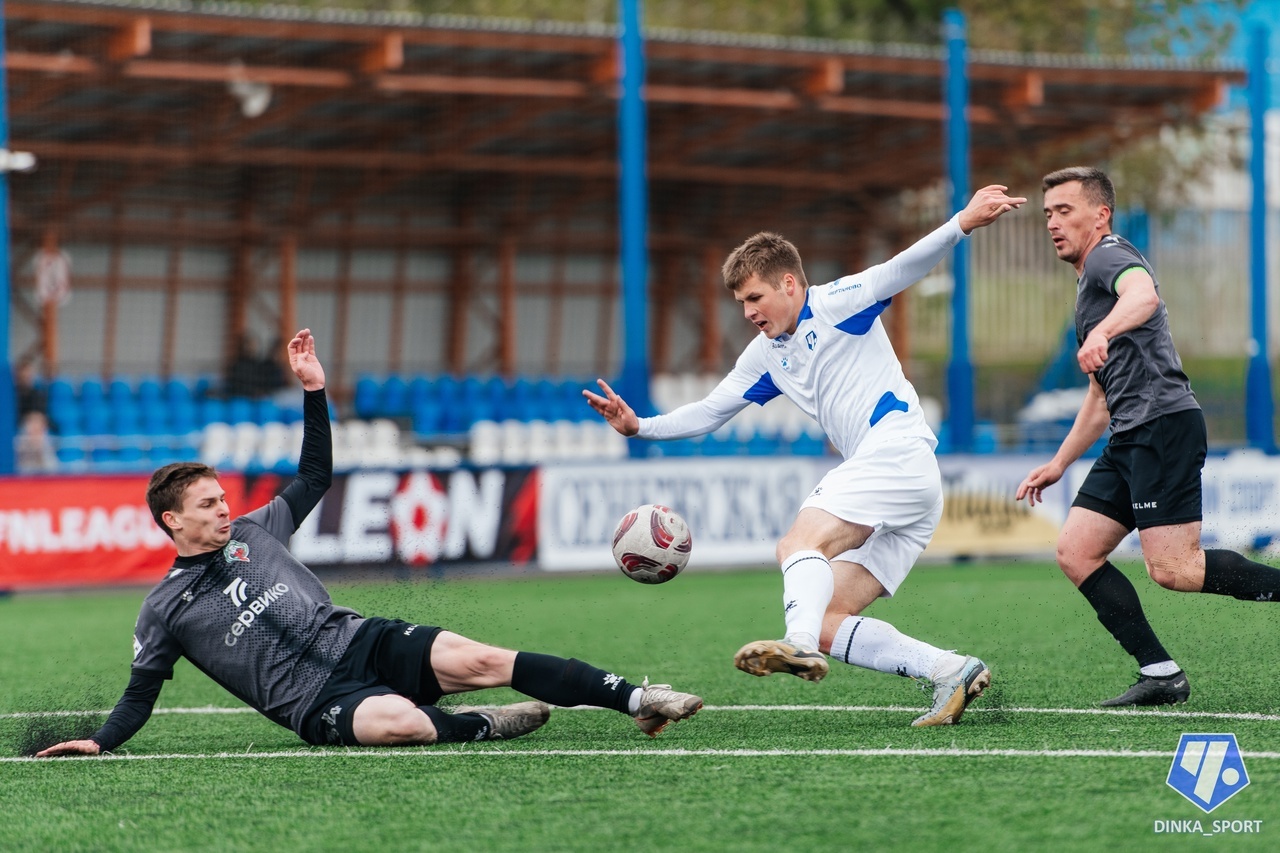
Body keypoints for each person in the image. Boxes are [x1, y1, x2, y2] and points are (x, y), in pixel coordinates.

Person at [37, 329, 701, 757]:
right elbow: (140, 692)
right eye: (207, 504)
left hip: (360, 639)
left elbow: (316, 475)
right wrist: (101, 740)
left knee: (481, 657)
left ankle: (640, 700)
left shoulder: (255, 529)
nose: (224, 507)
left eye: (221, 497)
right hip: (314, 701)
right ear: (171, 522)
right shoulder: (165, 609)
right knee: (401, 723)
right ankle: (479, 724)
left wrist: (314, 391)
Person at [585, 186, 1025, 727]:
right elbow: (710, 410)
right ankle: (950, 670)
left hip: (895, 454)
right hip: (909, 485)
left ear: (789, 283)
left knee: (797, 544)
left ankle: (795, 645)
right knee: (826, 617)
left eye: (755, 298)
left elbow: (902, 267)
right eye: (741, 303)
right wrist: (639, 427)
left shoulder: (839, 301)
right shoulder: (765, 353)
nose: (748, 312)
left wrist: (962, 221)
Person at [1016, 166, 1280, 707]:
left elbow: (1144, 295)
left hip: (1161, 425)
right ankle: (1161, 674)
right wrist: (1060, 463)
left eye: (1065, 211)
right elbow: (1099, 398)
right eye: (1048, 214)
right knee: (1075, 551)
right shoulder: (1089, 279)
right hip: (1130, 432)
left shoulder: (1110, 257)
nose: (1053, 223)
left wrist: (1104, 331)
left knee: (1175, 569)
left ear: (1100, 214)